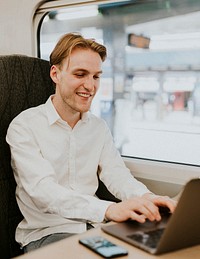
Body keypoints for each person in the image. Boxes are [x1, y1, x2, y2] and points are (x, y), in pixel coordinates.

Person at [6, 32, 176, 252]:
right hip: (46, 234)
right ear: (55, 74)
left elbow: (117, 175)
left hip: (95, 227)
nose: (90, 86)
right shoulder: (24, 126)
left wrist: (147, 198)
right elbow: (44, 192)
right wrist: (108, 210)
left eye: (96, 76)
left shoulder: (98, 127)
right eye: (80, 74)